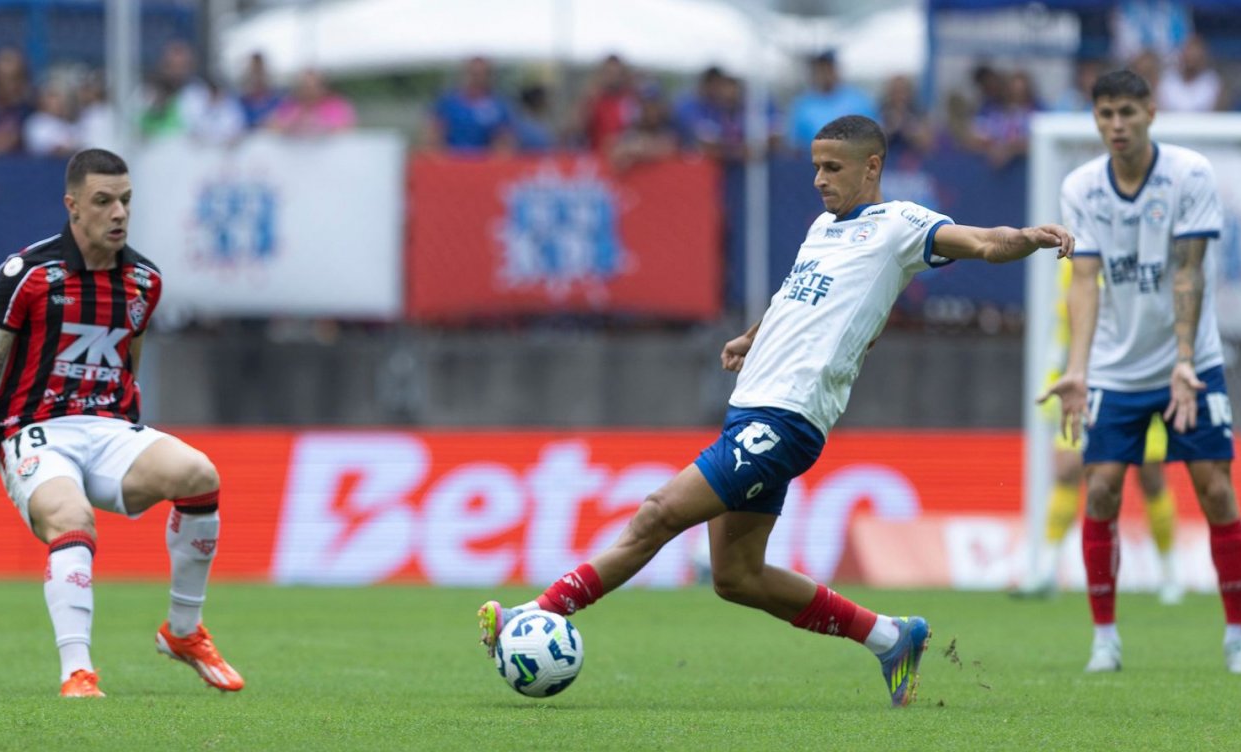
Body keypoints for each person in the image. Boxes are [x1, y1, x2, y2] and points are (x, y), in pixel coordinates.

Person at [476, 114, 1074, 708]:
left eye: (832, 167)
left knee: (658, 513)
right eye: (815, 165)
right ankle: (892, 638)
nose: (818, 178)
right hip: (751, 410)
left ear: (872, 167)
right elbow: (797, 296)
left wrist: (1027, 237)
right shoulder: (821, 228)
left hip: (785, 422)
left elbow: (982, 241)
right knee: (737, 577)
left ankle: (534, 612)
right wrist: (751, 337)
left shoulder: (901, 224)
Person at [0, 149, 244, 698]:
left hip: (106, 428)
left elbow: (130, 358)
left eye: (126, 200)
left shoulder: (145, 280)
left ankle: (182, 631)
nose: (119, 213)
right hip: (34, 430)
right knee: (73, 518)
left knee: (200, 475)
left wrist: (131, 425)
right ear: (73, 206)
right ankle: (77, 672)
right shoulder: (28, 273)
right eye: (104, 201)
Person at [1040, 69, 1241, 675]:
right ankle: (1104, 639)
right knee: (1103, 487)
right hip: (1115, 369)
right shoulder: (1081, 186)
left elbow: (1189, 272)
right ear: (1095, 119)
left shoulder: (1189, 175)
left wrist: (1185, 362)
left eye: (1127, 113)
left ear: (1151, 113)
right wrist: (1077, 370)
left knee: (1214, 489)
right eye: (1105, 114)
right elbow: (1083, 281)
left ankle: (1238, 636)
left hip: (1192, 365)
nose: (1117, 125)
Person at [1015, 260, 1182, 605]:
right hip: (1085, 381)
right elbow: (1063, 328)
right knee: (1067, 468)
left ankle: (1169, 574)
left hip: (1140, 380)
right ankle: (1046, 570)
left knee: (1150, 476)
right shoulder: (1075, 264)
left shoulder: (1143, 257)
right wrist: (1051, 374)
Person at [786, 51, 877, 152]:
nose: (825, 75)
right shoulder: (802, 106)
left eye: (828, 69)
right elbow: (794, 144)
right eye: (820, 70)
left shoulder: (859, 101)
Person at [422, 56, 513, 153]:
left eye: (482, 74)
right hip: (451, 162)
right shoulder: (447, 103)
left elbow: (504, 143)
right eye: (473, 74)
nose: (477, 78)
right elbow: (433, 137)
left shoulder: (498, 106)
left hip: (484, 163)